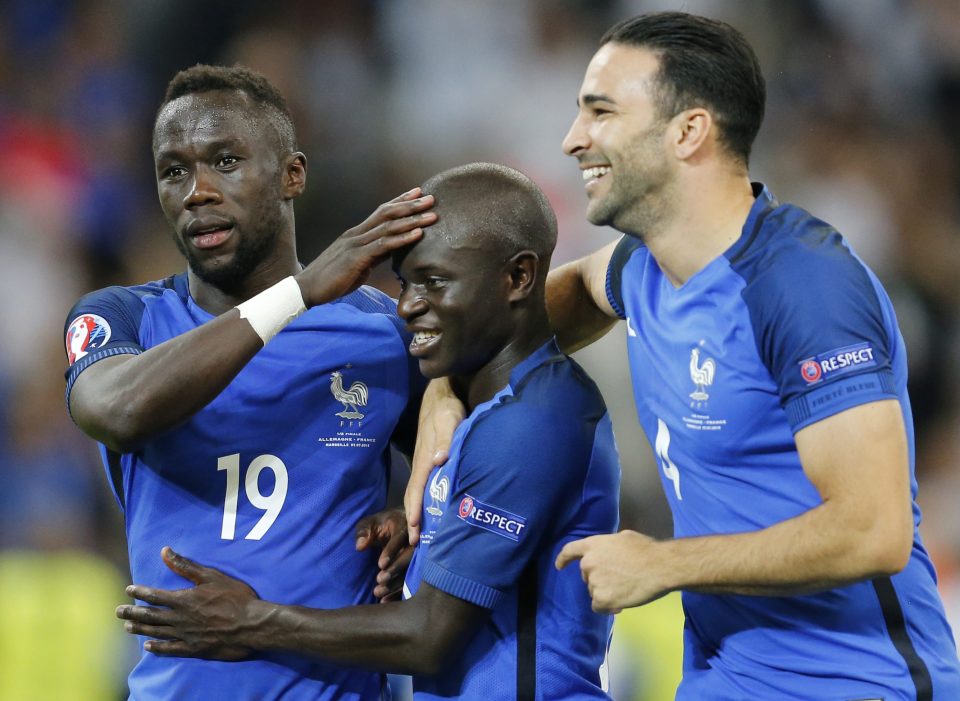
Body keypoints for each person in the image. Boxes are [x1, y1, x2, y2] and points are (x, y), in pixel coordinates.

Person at [401, 11, 960, 701]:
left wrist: (664, 563)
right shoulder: (644, 268)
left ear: (688, 131)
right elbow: (561, 295)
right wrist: (447, 387)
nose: (574, 139)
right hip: (722, 677)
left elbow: (873, 530)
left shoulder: (802, 286)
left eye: (601, 112)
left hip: (851, 682)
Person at [115, 162, 621, 700]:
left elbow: (427, 635)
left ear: (518, 277)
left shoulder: (535, 419)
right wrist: (420, 534)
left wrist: (251, 620)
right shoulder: (485, 408)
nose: (407, 306)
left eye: (435, 281)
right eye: (405, 283)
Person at [64, 64, 437, 700]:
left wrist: (415, 518)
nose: (197, 192)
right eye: (174, 171)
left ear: (293, 174)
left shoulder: (379, 334)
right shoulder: (121, 316)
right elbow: (119, 411)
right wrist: (298, 294)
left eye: (226, 161)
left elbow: (472, 459)